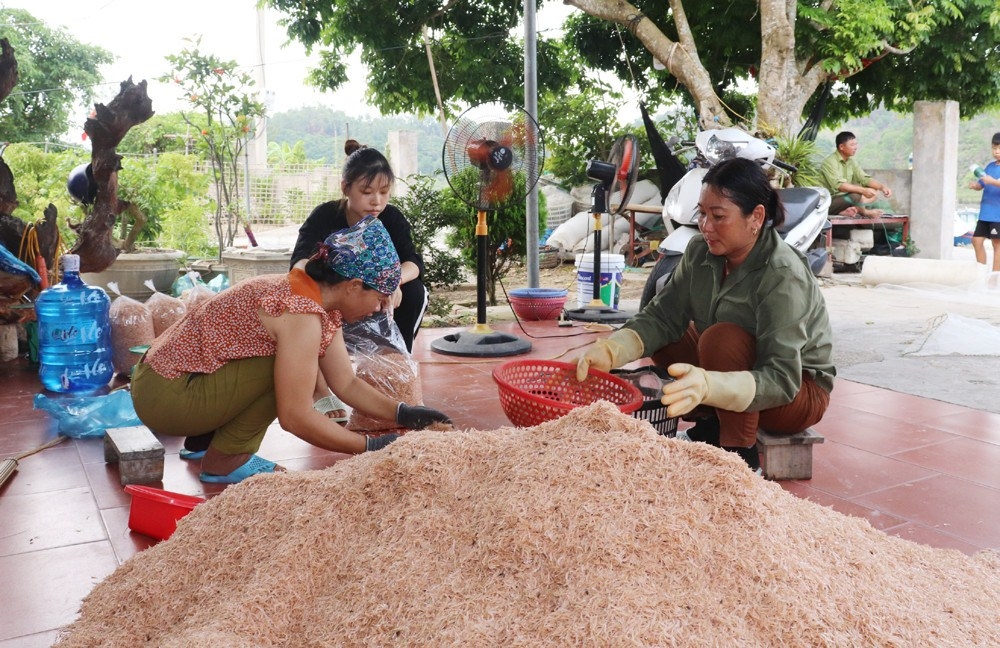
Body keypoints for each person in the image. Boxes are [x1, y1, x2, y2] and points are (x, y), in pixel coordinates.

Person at [131, 216, 451, 484]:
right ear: (353, 286)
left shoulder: (318, 299)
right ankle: (225, 459)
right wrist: (370, 446)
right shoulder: (301, 315)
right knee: (287, 371)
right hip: (166, 395)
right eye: (380, 298)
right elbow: (295, 416)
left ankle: (210, 443)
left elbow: (346, 383)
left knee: (286, 363)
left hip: (170, 381)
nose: (381, 309)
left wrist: (404, 413)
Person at [574, 157, 836, 471]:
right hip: (744, 374)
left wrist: (710, 386)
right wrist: (612, 350)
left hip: (798, 392)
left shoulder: (782, 274)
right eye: (702, 213)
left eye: (718, 216)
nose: (706, 226)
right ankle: (712, 422)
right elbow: (661, 316)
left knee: (721, 340)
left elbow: (782, 379)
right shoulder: (700, 253)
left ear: (756, 217)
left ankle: (739, 455)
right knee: (669, 335)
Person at [292, 140, 428, 353]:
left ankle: (397, 358)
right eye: (367, 192)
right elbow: (300, 262)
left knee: (413, 291)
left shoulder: (392, 218)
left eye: (384, 192)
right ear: (345, 187)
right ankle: (329, 358)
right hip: (339, 297)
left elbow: (413, 261)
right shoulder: (324, 215)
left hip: (378, 299)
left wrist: (393, 282)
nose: (376, 201)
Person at [819, 131, 894, 217]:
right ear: (841, 147)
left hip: (844, 199)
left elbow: (864, 179)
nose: (855, 147)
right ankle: (864, 212)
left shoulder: (851, 162)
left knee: (872, 190)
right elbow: (840, 186)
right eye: (852, 145)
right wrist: (863, 191)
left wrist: (882, 187)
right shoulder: (830, 162)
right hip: (828, 202)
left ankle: (847, 209)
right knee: (856, 195)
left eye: (856, 144)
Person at [967, 132, 1000, 273]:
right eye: (994, 148)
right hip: (985, 214)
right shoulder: (990, 166)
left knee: (997, 245)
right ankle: (981, 276)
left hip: (998, 215)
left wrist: (991, 181)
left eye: (999, 148)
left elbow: (991, 181)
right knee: (976, 241)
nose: (997, 152)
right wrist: (976, 186)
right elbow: (982, 183)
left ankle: (995, 280)